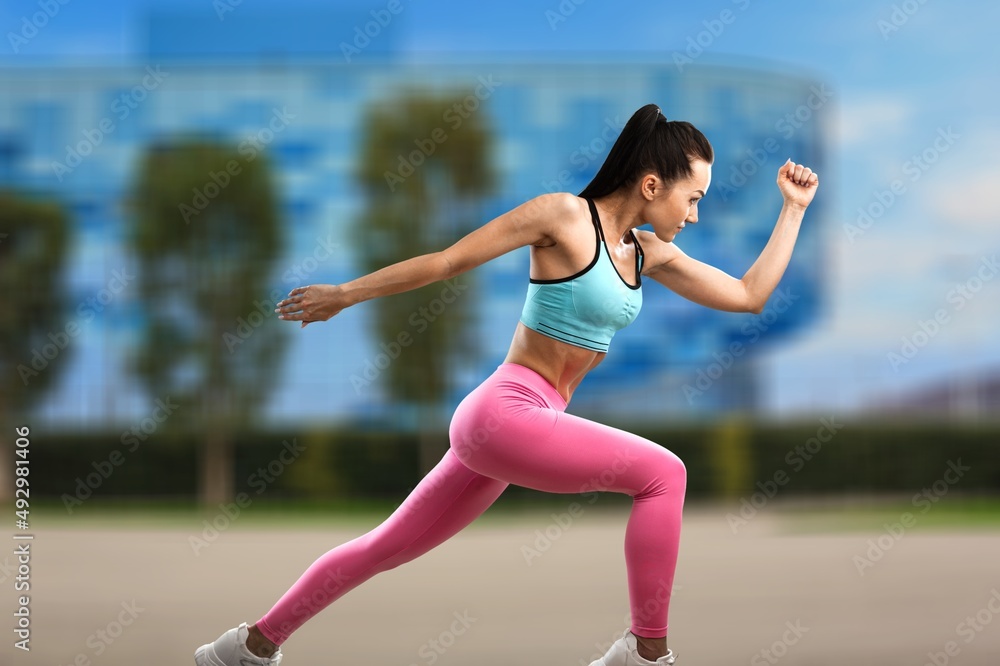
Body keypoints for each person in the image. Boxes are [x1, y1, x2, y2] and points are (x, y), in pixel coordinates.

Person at [195, 103, 818, 666]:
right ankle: (647, 651)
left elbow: (748, 294)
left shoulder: (647, 253)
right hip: (504, 410)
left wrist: (791, 209)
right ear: (653, 184)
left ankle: (246, 648)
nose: (695, 212)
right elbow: (447, 261)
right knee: (666, 475)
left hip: (523, 422)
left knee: (385, 546)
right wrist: (345, 294)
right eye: (693, 197)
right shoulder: (564, 217)